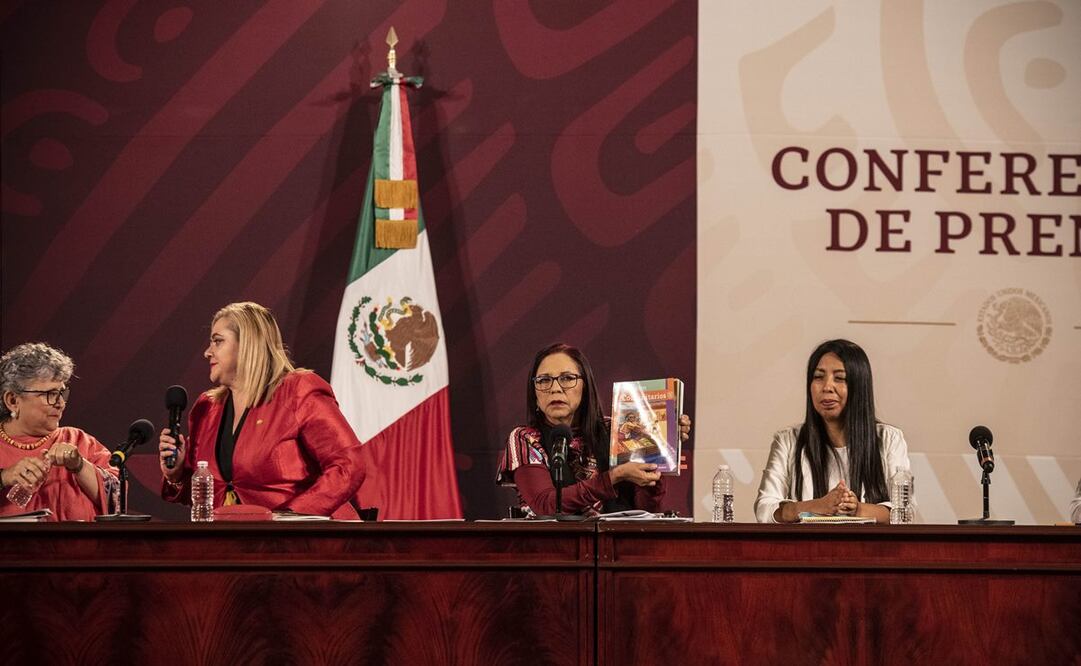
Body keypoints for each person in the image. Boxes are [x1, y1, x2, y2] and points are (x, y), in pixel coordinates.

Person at [158, 302, 366, 518]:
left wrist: (291, 518)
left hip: (305, 535)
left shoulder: (298, 391)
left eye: (218, 341)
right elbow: (212, 492)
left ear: (248, 345)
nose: (207, 352)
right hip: (232, 536)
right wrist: (177, 474)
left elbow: (349, 465)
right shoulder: (206, 408)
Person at [496, 342, 691, 517]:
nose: (555, 388)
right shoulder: (525, 438)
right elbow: (546, 505)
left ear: (586, 386)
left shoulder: (615, 430)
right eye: (544, 380)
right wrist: (613, 477)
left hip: (615, 542)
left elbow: (646, 509)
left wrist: (659, 451)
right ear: (534, 392)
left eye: (567, 378)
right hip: (551, 544)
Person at [754, 339, 911, 524]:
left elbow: (905, 513)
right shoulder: (788, 441)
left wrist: (857, 509)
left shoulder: (888, 439)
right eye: (818, 377)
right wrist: (818, 506)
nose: (827, 387)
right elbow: (764, 510)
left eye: (840, 378)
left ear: (859, 385)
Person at [0, 342, 118, 520]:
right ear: (13, 401)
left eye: (62, 393)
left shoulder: (79, 441)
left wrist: (80, 465)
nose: (60, 403)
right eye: (50, 394)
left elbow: (117, 500)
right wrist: (4, 477)